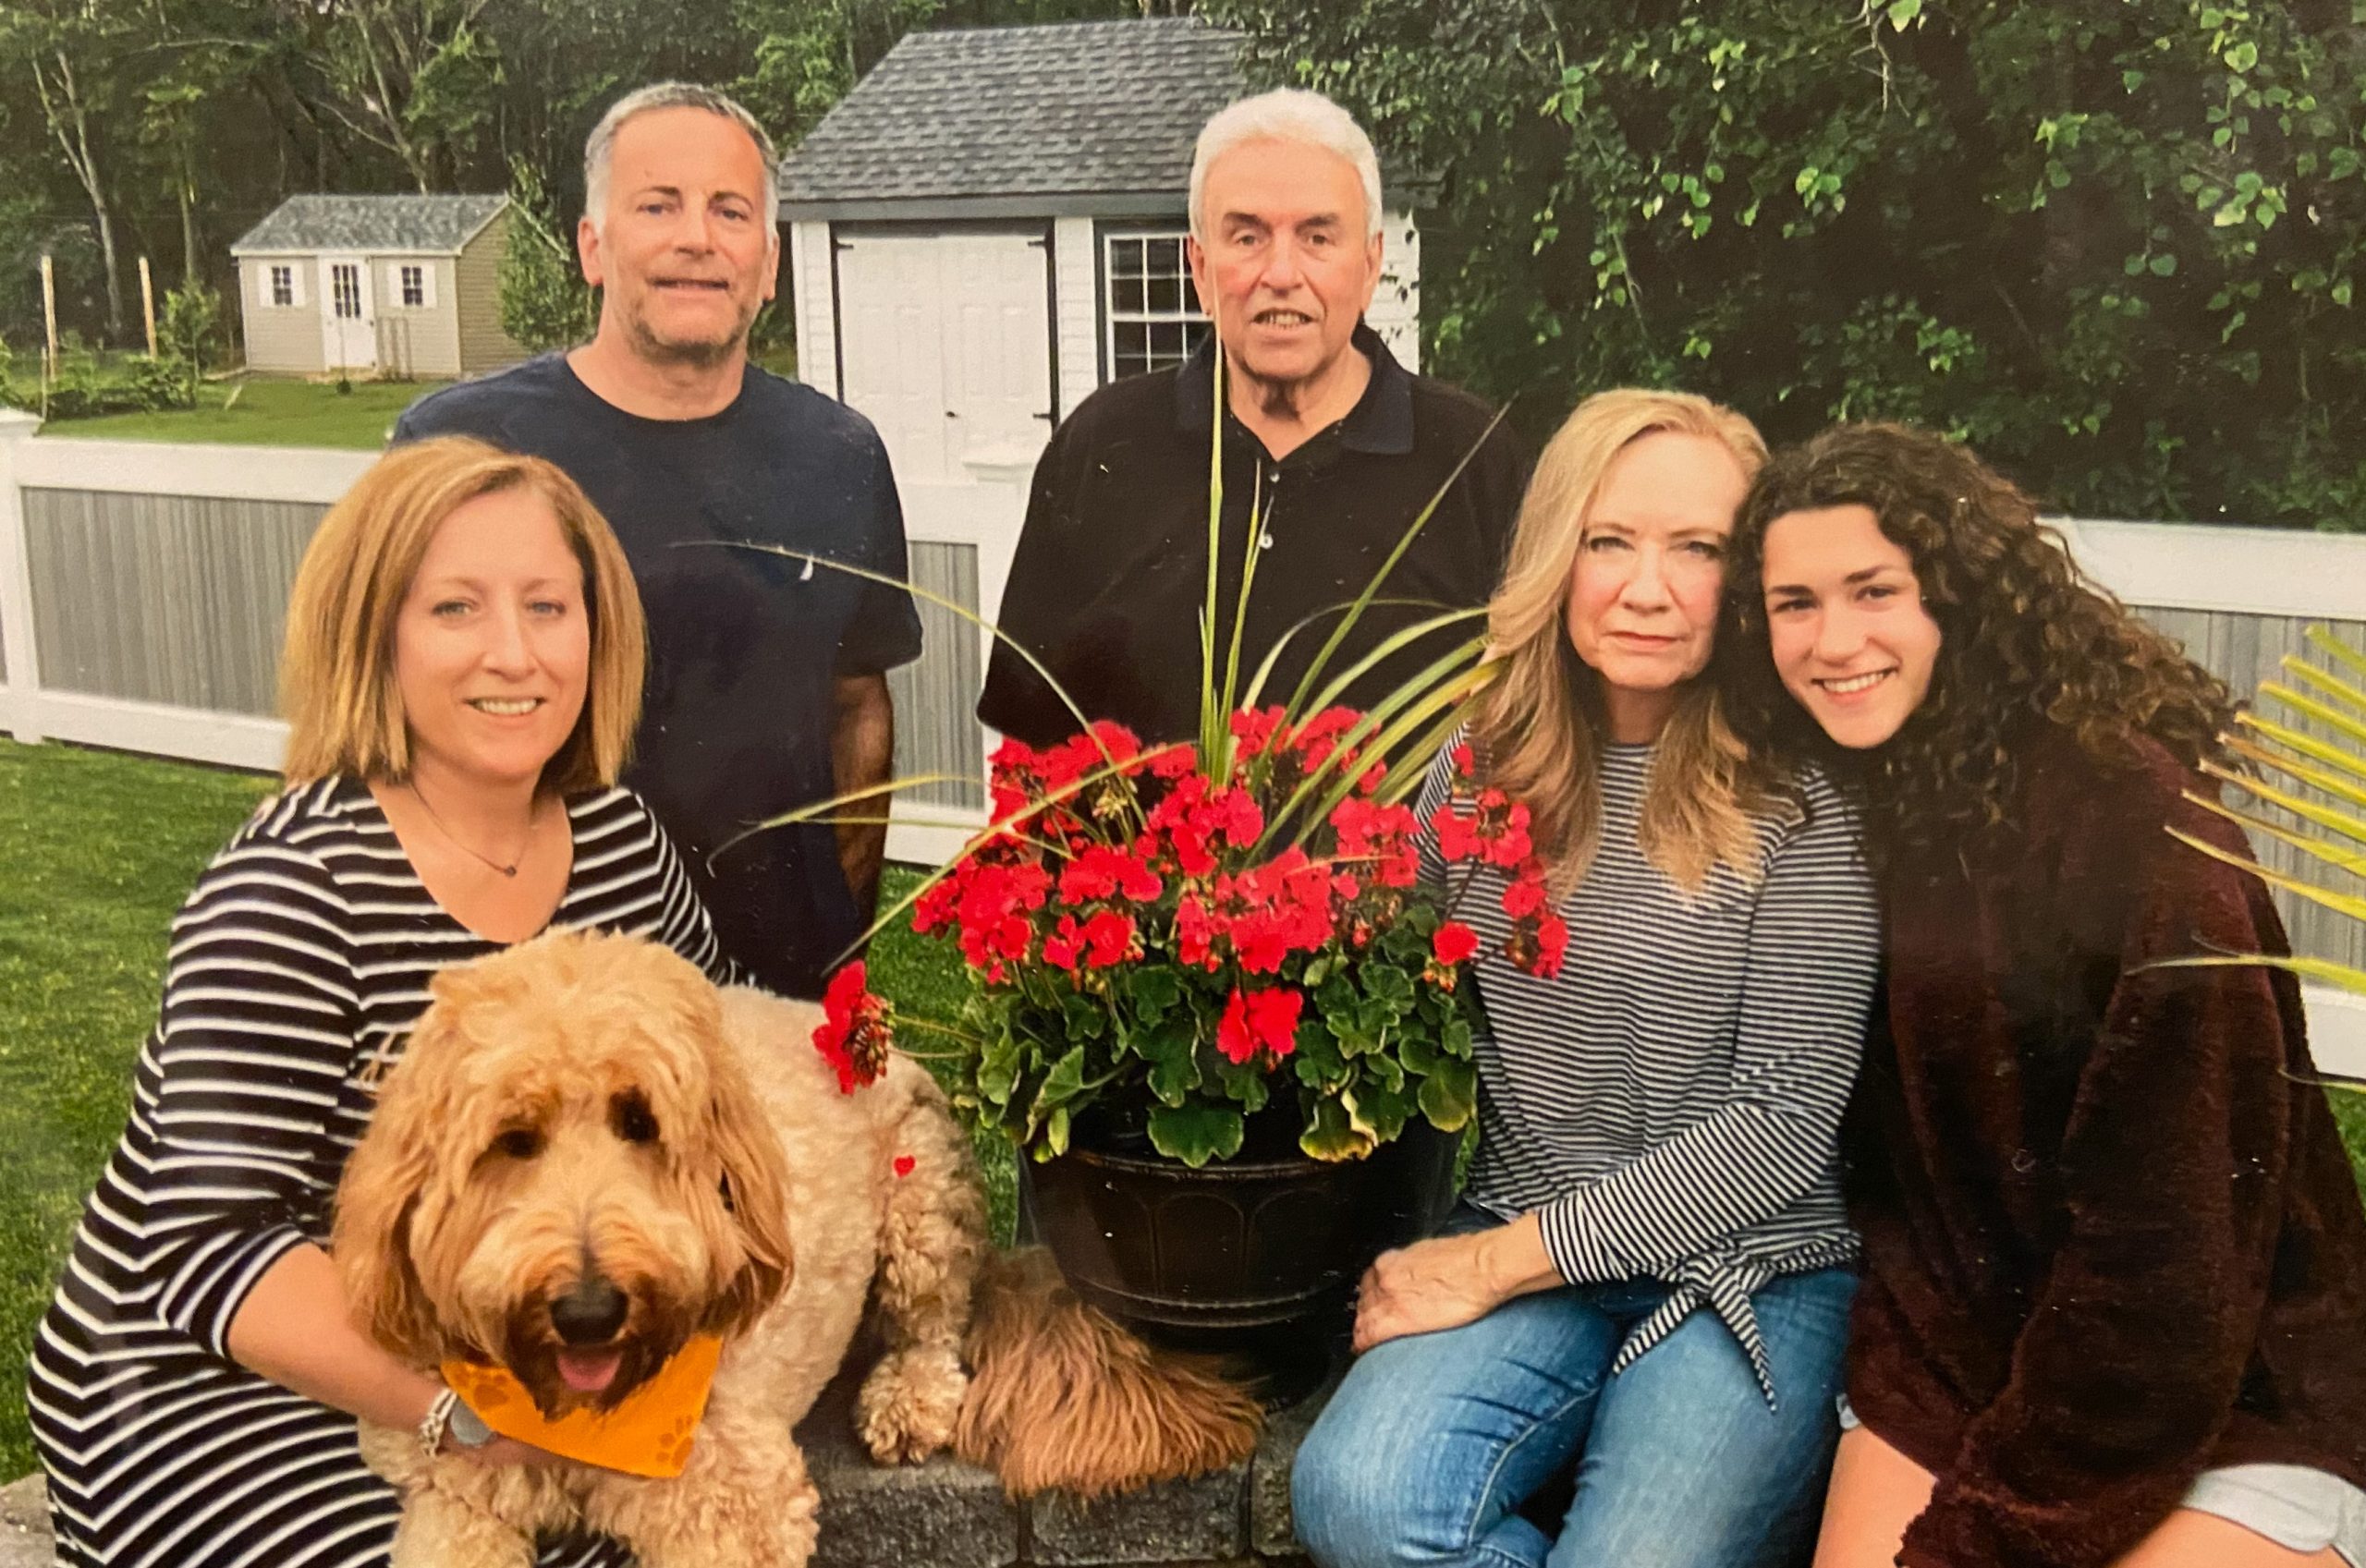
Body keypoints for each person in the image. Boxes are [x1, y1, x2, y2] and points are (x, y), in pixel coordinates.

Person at [28, 437, 736, 1568]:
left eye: (548, 606)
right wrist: (468, 1416)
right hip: (216, 1378)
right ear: (376, 637)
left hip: (517, 1340)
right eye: (455, 607)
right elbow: (211, 1251)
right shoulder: (293, 887)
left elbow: (713, 1097)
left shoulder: (623, 851)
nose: (515, 652)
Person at [1725, 422, 2366, 1568]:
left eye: (1875, 589)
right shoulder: (1852, 795)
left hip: (2222, 1380)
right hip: (1962, 1348)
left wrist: (1978, 1536)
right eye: (1793, 604)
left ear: (1958, 596)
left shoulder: (2132, 827)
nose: (1833, 642)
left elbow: (2170, 1274)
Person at [1289, 390, 1882, 1568]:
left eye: (1697, 549)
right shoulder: (1479, 765)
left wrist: (1480, 1266)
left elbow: (1779, 1127)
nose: (1646, 588)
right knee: (1357, 1496)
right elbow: (1380, 969)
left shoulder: (1804, 797)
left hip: (1754, 1268)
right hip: (1530, 1222)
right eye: (1608, 541)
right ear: (1556, 556)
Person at [396, 81, 921, 1000]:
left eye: (730, 211)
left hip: (781, 1000)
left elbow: (857, 710)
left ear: (768, 260)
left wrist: (837, 938)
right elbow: (391, 734)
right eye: (658, 206)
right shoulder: (465, 447)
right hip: (548, 1011)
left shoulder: (838, 455)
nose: (697, 239)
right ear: (592, 246)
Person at [977, 88, 1530, 749]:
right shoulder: (1105, 443)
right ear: (1201, 268)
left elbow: (1530, 725)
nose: (1281, 272)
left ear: (1371, 264)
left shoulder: (1472, 459)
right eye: (1247, 236)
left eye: (1318, 237)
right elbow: (1030, 737)